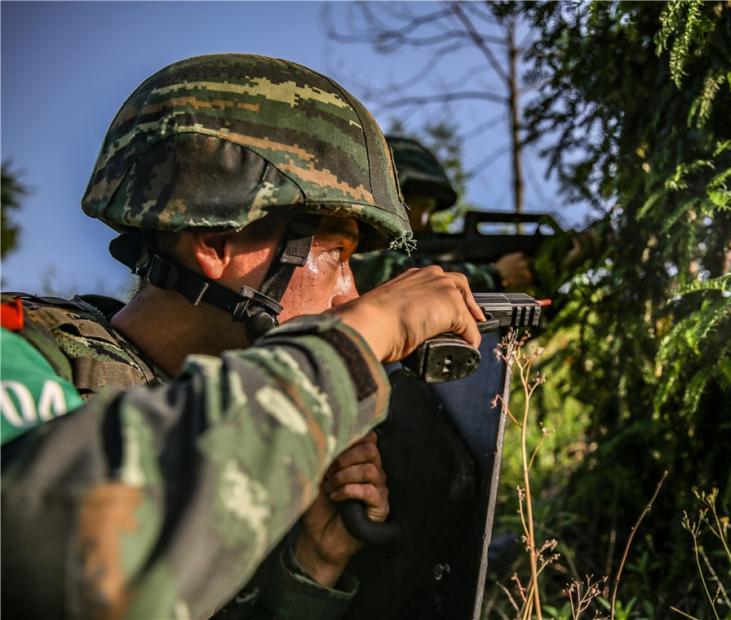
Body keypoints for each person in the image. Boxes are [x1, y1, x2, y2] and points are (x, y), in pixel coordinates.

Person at [1, 54, 484, 620]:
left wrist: (311, 568)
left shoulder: (242, 432)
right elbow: (61, 562)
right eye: (336, 255)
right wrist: (353, 345)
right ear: (216, 240)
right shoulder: (22, 354)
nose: (350, 295)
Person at [351, 136, 534, 293]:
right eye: (423, 206)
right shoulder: (348, 244)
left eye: (430, 209)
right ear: (390, 196)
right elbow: (393, 273)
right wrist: (493, 275)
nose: (426, 221)